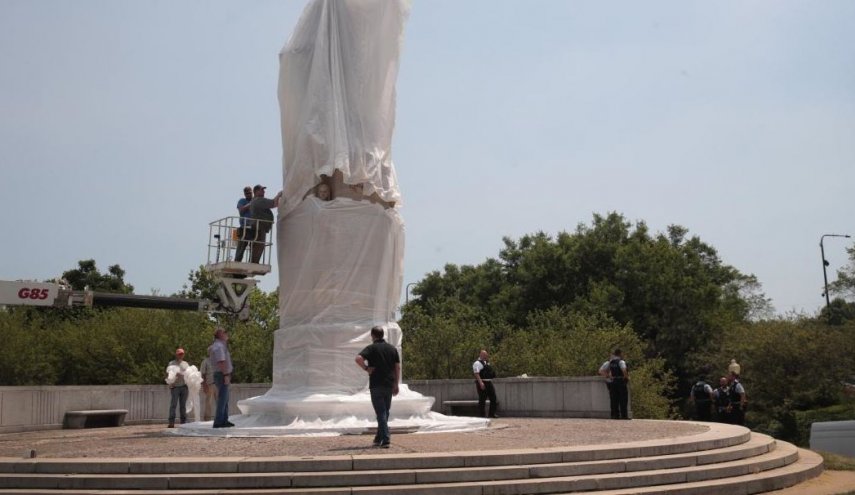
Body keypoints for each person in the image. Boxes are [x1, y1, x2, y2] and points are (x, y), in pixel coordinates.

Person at [355, 326, 400, 448]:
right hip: (389, 384)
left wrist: (366, 368)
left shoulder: (371, 348)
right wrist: (396, 384)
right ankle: (378, 437)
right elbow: (397, 368)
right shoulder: (392, 349)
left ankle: (385, 439)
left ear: (373, 336)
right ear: (383, 335)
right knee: (385, 412)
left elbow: (358, 358)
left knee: (381, 412)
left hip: (376, 384)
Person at [248, 184, 283, 264]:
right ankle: (254, 262)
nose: (264, 191)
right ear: (256, 192)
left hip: (258, 226)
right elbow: (273, 203)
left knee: (258, 245)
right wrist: (279, 195)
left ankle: (253, 262)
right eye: (262, 190)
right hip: (259, 226)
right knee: (259, 245)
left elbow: (274, 204)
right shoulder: (258, 200)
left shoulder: (255, 201)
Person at [209, 328, 234, 428]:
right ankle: (219, 422)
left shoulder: (218, 345)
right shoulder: (219, 346)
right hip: (221, 374)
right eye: (225, 332)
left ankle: (224, 420)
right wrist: (225, 375)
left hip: (220, 373)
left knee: (225, 399)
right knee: (222, 399)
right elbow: (221, 362)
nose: (227, 334)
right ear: (220, 334)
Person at [599, 349, 629, 419]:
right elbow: (624, 370)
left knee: (614, 400)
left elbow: (600, 371)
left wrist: (608, 376)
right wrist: (626, 377)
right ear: (620, 354)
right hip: (620, 381)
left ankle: (615, 415)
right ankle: (624, 415)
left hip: (613, 382)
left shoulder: (610, 362)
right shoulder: (621, 362)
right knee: (623, 399)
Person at [165, 348, 190, 428]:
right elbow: (168, 374)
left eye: (182, 354)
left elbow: (189, 374)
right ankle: (171, 422)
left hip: (184, 387)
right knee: (173, 405)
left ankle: (183, 422)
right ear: (176, 354)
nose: (180, 355)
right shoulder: (171, 363)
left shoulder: (186, 364)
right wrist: (170, 382)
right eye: (179, 354)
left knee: (183, 405)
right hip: (175, 387)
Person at [473, 350, 498, 418]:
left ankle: (492, 413)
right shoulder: (477, 363)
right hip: (482, 382)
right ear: (481, 355)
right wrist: (481, 383)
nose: (486, 356)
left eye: (486, 355)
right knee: (482, 399)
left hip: (489, 382)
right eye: (484, 355)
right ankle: (482, 415)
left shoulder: (487, 363)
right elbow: (476, 374)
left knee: (493, 398)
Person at [234, 186, 253, 262]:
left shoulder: (256, 200)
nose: (249, 194)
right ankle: (237, 262)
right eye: (247, 193)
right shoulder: (242, 201)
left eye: (250, 192)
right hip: (244, 228)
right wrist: (251, 204)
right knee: (241, 247)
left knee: (254, 246)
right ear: (245, 194)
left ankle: (252, 262)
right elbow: (241, 211)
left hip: (254, 227)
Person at [199, 355, 218, 422]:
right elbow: (202, 374)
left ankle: (220, 418)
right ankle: (207, 420)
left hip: (219, 385)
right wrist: (204, 385)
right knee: (208, 403)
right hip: (209, 385)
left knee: (220, 403)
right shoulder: (205, 361)